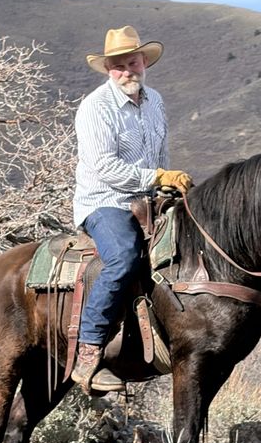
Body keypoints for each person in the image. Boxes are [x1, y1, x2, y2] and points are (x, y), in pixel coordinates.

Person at [71, 25, 193, 394]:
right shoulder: (96, 108)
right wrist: (156, 176)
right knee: (124, 256)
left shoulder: (155, 101)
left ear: (144, 63)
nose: (128, 70)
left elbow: (161, 154)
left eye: (134, 62)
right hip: (105, 200)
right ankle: (89, 349)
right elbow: (103, 167)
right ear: (108, 68)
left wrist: (168, 186)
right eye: (119, 65)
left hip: (149, 197)